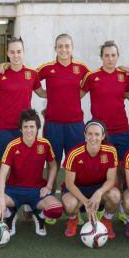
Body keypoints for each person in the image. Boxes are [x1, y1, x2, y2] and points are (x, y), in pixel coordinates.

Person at [0, 37, 41, 224]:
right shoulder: (0, 74)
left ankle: (28, 205)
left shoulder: (32, 74)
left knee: (27, 168)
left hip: (25, 131)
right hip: (4, 128)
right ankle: (6, 206)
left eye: (19, 51)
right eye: (12, 52)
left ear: (23, 52)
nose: (16, 55)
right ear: (7, 54)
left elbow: (41, 92)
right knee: (4, 169)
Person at [0, 109, 62, 237]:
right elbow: (2, 175)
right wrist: (1, 200)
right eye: (25, 127)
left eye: (32, 127)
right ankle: (10, 214)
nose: (29, 130)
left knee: (56, 210)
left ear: (37, 128)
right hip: (13, 190)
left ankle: (39, 215)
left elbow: (54, 166)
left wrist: (49, 186)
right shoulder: (12, 145)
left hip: (36, 190)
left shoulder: (44, 144)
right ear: (21, 129)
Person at [61, 120, 121, 239]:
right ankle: (74, 219)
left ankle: (106, 220)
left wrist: (99, 193)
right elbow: (69, 183)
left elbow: (111, 180)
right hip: (78, 189)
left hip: (99, 187)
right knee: (69, 204)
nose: (93, 138)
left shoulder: (110, 151)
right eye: (90, 134)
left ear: (103, 136)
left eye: (97, 134)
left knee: (115, 195)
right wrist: (85, 201)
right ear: (85, 135)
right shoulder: (74, 153)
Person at [36, 33, 90, 165]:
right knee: (53, 162)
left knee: (76, 163)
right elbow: (28, 79)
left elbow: (93, 81)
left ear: (72, 47)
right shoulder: (47, 68)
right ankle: (51, 186)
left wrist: (76, 95)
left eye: (67, 46)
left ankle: (71, 186)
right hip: (53, 124)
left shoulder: (81, 68)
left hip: (75, 124)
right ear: (55, 48)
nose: (64, 50)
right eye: (60, 46)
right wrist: (45, 94)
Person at [80, 40, 129, 163]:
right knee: (103, 165)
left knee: (122, 166)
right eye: (107, 55)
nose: (110, 59)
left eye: (113, 55)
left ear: (118, 56)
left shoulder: (124, 76)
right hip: (100, 131)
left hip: (122, 129)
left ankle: (120, 184)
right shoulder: (91, 77)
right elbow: (75, 97)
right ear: (101, 57)